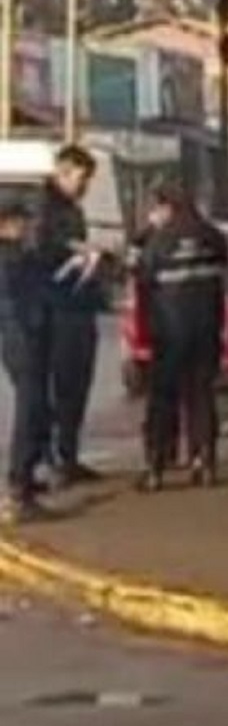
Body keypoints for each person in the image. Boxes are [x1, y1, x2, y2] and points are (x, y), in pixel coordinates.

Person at [134, 184, 228, 492]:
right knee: (202, 396)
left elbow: (142, 279)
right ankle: (205, 461)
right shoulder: (214, 237)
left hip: (169, 332)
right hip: (206, 329)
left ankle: (156, 465)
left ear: (166, 207)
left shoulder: (158, 242)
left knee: (163, 399)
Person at [33, 144, 106, 487]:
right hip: (56, 308)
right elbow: (40, 253)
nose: (85, 186)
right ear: (63, 170)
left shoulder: (71, 210)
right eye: (81, 178)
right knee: (59, 386)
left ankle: (69, 455)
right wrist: (72, 254)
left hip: (77, 304)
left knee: (76, 385)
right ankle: (53, 458)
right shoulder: (43, 209)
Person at [0, 198, 52, 523]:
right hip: (21, 337)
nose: (27, 227)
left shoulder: (18, 255)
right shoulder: (9, 258)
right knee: (29, 408)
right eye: (21, 221)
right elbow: (15, 302)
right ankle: (18, 487)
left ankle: (26, 479)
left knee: (35, 406)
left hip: (20, 336)